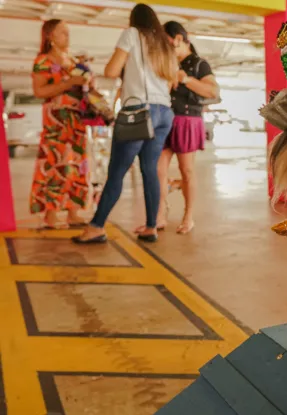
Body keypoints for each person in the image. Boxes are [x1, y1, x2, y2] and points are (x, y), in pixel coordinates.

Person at [73, 3, 177, 244]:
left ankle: (96, 227)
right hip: (164, 112)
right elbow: (171, 81)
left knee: (117, 172)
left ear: (134, 20)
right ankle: (151, 226)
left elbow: (111, 70)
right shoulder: (165, 44)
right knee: (149, 170)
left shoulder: (131, 34)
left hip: (139, 112)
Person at [157, 21, 219, 234]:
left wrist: (186, 79)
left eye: (165, 40)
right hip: (163, 118)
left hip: (187, 120)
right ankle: (160, 212)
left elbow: (212, 92)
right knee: (158, 170)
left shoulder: (198, 64)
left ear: (178, 39)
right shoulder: (165, 62)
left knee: (187, 170)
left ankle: (188, 215)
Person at [30, 19, 90, 229]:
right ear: (50, 36)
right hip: (56, 120)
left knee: (75, 164)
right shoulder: (43, 61)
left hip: (77, 119)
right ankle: (51, 214)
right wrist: (67, 83)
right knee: (54, 164)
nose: (68, 36)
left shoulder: (73, 61)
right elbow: (39, 91)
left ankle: (73, 211)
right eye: (63, 32)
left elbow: (81, 87)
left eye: (68, 31)